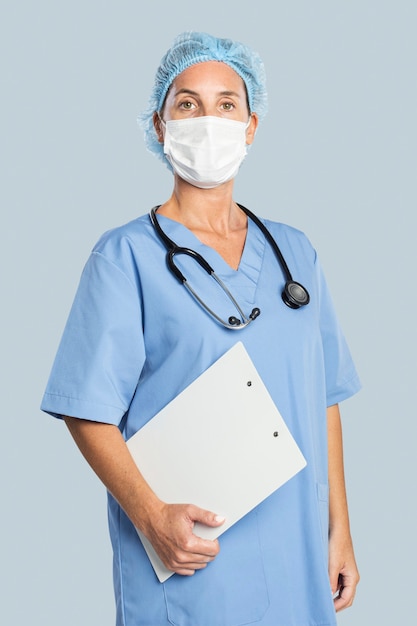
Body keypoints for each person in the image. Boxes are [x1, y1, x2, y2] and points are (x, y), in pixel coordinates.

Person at [41, 31, 361, 626]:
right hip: (191, 559)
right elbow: (87, 409)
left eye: (225, 104)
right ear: (160, 126)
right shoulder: (125, 257)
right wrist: (148, 517)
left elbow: (326, 399)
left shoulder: (296, 254)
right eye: (186, 104)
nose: (206, 119)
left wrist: (340, 529)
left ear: (251, 126)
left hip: (298, 560)